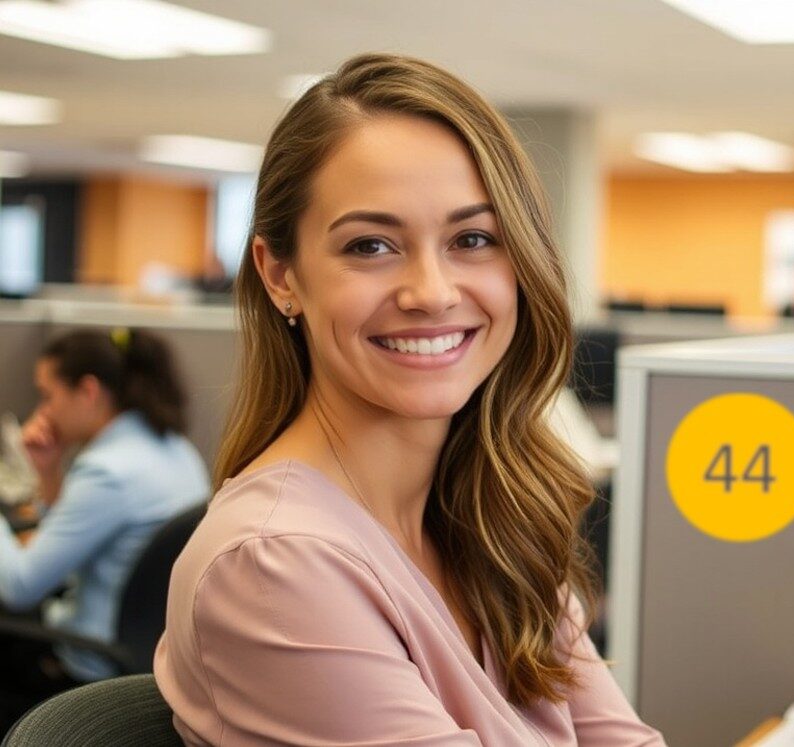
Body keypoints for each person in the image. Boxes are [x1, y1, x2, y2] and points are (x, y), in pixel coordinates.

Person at [154, 54, 665, 746]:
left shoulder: (493, 517)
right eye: (370, 245)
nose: (431, 291)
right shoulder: (276, 564)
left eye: (473, 239)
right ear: (280, 275)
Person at [0, 328, 209, 731]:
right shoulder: (172, 447)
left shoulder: (107, 472)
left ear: (88, 391)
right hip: (152, 658)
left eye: (49, 396)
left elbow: (21, 586)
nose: (44, 411)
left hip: (87, 669)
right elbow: (75, 531)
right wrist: (47, 471)